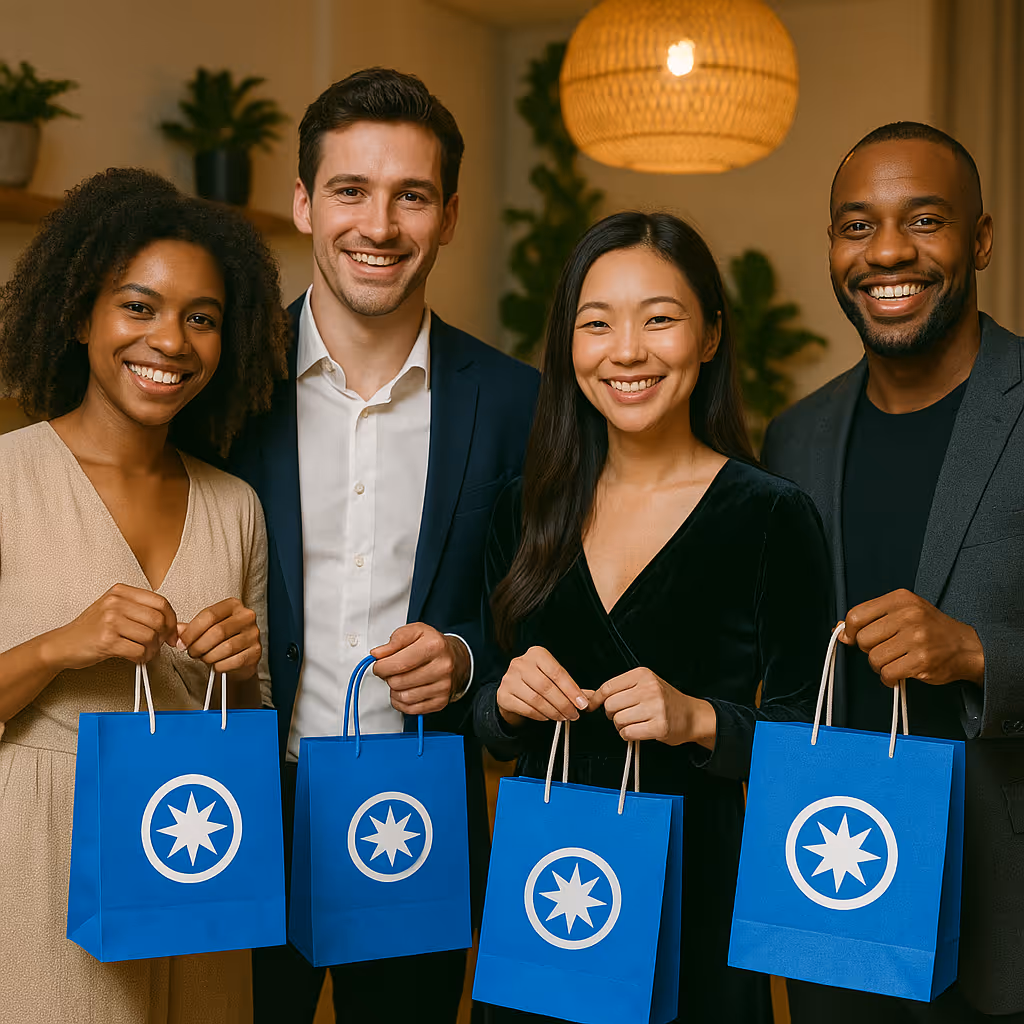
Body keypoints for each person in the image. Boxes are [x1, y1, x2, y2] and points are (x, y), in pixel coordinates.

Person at [225, 68, 539, 1023]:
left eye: (411, 196)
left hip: (418, 814)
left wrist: (465, 656)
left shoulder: (516, 404)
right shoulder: (223, 385)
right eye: (351, 190)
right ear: (304, 204)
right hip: (237, 807)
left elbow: (537, 607)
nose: (379, 225)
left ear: (449, 216)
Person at [471, 211, 833, 1023]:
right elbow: (488, 720)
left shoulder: (771, 515)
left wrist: (697, 719)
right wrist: (505, 701)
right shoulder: (521, 510)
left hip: (696, 895)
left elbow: (811, 744)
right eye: (597, 323)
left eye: (659, 319)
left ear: (710, 336)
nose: (627, 351)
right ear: (568, 343)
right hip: (549, 893)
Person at [0, 168, 290, 1023]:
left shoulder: (236, 507)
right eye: (139, 306)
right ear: (80, 314)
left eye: (201, 318)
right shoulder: (7, 479)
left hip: (194, 859)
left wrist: (236, 675)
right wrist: (61, 646)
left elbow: (252, 727)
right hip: (39, 865)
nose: (171, 341)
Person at [762, 122, 1024, 1022]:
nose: (886, 253)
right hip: (837, 896)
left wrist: (977, 654)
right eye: (857, 226)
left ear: (980, 239)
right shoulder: (794, 438)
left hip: (1003, 918)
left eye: (923, 220)